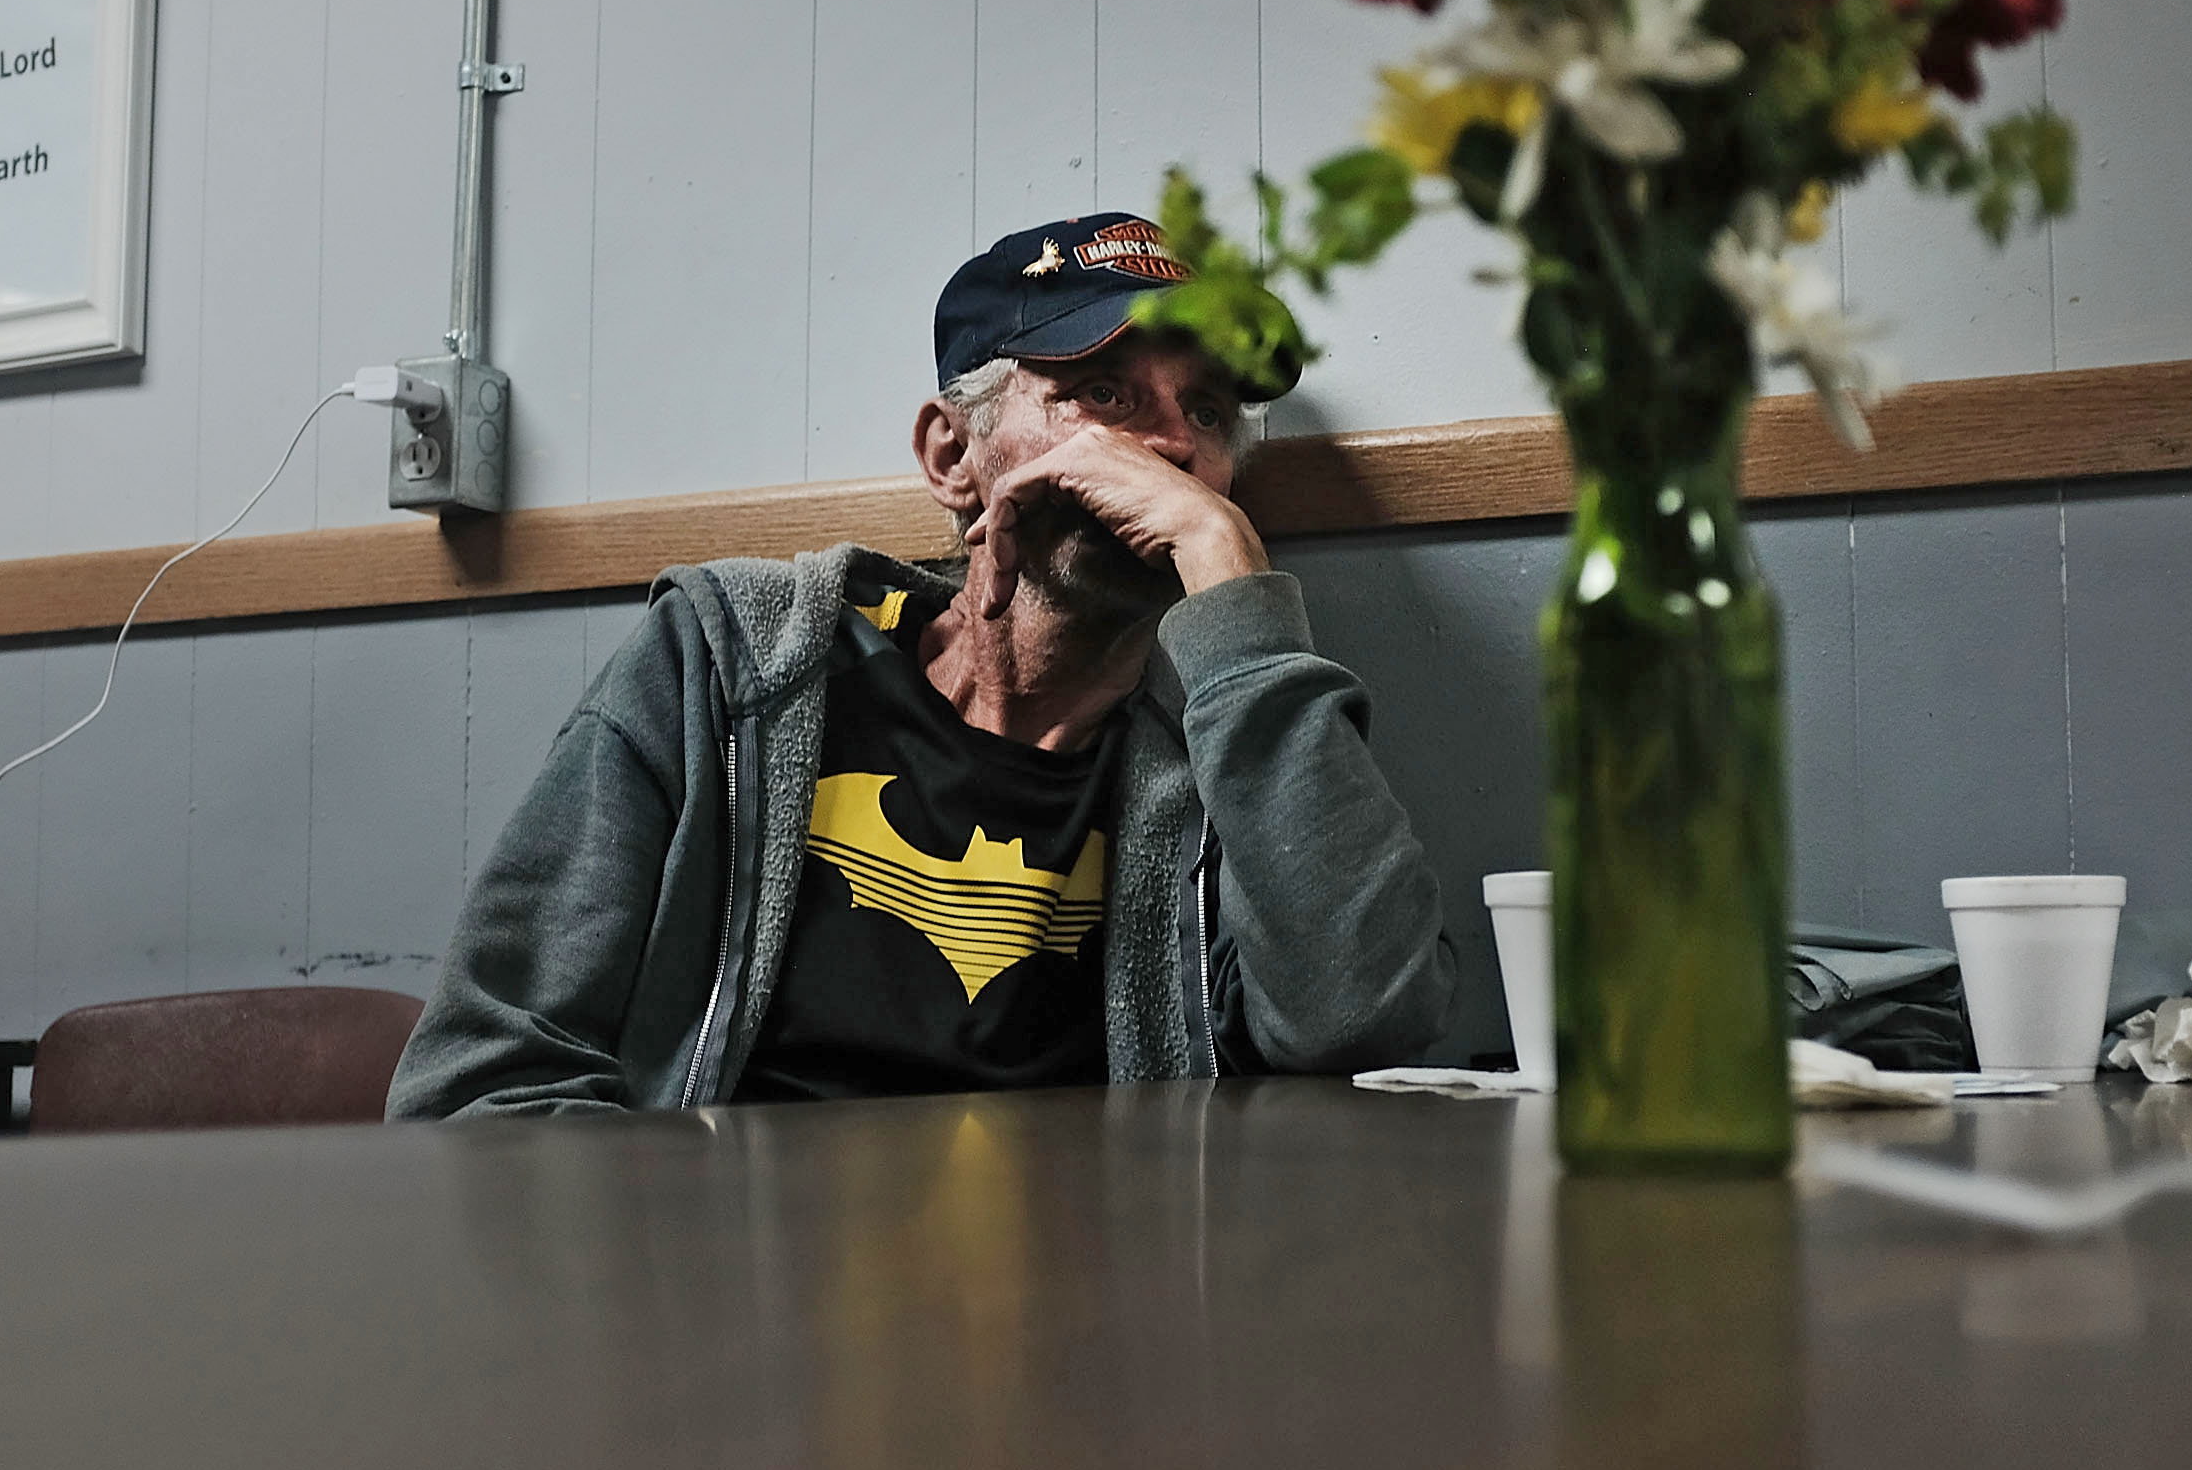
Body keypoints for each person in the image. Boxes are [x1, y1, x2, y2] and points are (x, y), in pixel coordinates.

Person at [387, 211, 1455, 1117]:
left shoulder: (1232, 761)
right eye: (1105, 393)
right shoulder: (733, 664)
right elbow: (488, 1078)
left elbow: (1365, 1026)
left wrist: (1231, 580)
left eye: (1210, 412)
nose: (1175, 449)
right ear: (954, 455)